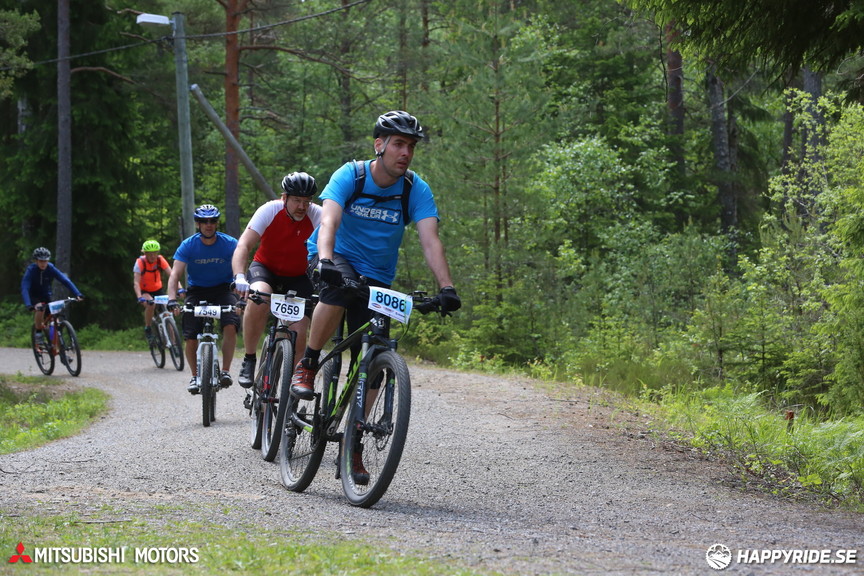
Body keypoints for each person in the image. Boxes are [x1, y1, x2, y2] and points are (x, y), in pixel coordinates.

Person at [290, 111, 461, 479]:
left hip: (378, 277)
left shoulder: (415, 189)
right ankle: (308, 362)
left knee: (376, 354)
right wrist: (324, 260)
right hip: (335, 257)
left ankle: (352, 444)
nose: (406, 153)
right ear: (379, 145)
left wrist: (447, 287)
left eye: (411, 146)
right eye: (399, 144)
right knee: (335, 293)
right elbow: (330, 221)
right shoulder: (351, 175)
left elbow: (430, 241)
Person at [231, 171, 321, 388]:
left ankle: (290, 395)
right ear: (284, 198)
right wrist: (240, 276)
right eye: (297, 200)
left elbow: (330, 247)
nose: (302, 206)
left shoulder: (317, 214)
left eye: (307, 201)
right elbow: (243, 245)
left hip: (299, 276)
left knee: (299, 333)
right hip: (266, 269)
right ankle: (250, 358)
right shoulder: (270, 210)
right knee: (259, 297)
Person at [167, 205, 240, 394]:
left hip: (224, 289)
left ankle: (225, 371)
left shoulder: (230, 243)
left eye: (213, 221)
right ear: (198, 224)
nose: (209, 225)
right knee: (191, 337)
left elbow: (240, 271)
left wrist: (241, 298)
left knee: (230, 325)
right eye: (204, 222)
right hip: (197, 291)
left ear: (217, 223)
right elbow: (175, 275)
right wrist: (172, 300)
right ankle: (194, 376)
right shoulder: (188, 245)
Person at [21, 247, 84, 342]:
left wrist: (77, 293)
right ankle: (38, 333)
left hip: (46, 295)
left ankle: (57, 345)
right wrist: (28, 304)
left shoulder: (50, 268)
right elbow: (25, 288)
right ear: (36, 261)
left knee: (55, 319)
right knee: (40, 308)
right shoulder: (31, 271)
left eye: (45, 261)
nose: (43, 263)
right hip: (33, 296)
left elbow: (65, 280)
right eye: (41, 261)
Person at [133, 240, 184, 344]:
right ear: (145, 254)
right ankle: (148, 328)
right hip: (145, 291)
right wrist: (139, 297)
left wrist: (180, 288)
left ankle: (174, 344)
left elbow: (172, 275)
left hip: (158, 290)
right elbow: (136, 283)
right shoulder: (140, 262)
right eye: (149, 254)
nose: (152, 256)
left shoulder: (160, 260)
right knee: (151, 304)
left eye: (155, 253)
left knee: (168, 313)